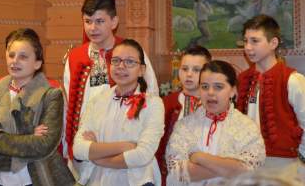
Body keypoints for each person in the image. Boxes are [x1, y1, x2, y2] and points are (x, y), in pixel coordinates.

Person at [64, 0, 159, 162]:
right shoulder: (75, 57)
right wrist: (69, 147)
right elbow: (68, 104)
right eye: (88, 21)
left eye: (100, 21)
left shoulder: (132, 53)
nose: (93, 28)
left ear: (114, 22)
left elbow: (150, 94)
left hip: (125, 146)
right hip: (86, 146)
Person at [0, 28, 75, 186]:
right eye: (11, 55)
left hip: (35, 180)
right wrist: (28, 135)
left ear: (37, 63)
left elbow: (42, 146)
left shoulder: (51, 95)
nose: (15, 61)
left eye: (23, 57)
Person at [73, 39, 164, 185]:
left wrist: (97, 156)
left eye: (129, 62)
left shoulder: (154, 104)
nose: (121, 66)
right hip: (98, 179)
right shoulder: (97, 101)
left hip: (138, 180)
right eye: (116, 61)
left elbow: (142, 155)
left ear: (141, 70)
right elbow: (78, 149)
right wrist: (125, 146)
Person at [166, 60, 266, 185]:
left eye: (218, 87)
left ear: (233, 91)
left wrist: (199, 157)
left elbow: (248, 171)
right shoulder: (185, 126)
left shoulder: (247, 127)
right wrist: (228, 167)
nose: (210, 93)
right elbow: (177, 172)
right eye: (205, 87)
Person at [237, 15, 305, 180]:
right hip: (248, 163)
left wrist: (301, 160)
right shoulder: (243, 79)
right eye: (245, 41)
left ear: (273, 43)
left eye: (255, 41)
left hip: (284, 166)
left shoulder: (292, 80)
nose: (248, 47)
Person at [156, 45, 212, 185]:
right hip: (171, 176)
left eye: (196, 70)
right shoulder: (167, 103)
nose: (189, 74)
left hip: (207, 175)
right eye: (185, 69)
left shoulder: (215, 104)